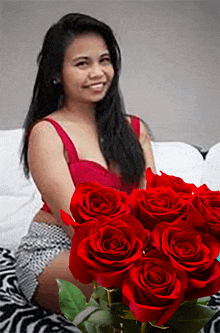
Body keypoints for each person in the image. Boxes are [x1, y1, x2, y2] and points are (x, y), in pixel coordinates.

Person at [15, 13, 156, 313]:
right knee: (124, 297)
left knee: (172, 285)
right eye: (82, 63)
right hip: (59, 248)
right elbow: (75, 227)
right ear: (56, 73)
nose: (98, 72)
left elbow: (151, 206)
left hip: (126, 249)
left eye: (104, 60)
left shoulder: (135, 130)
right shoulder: (46, 133)